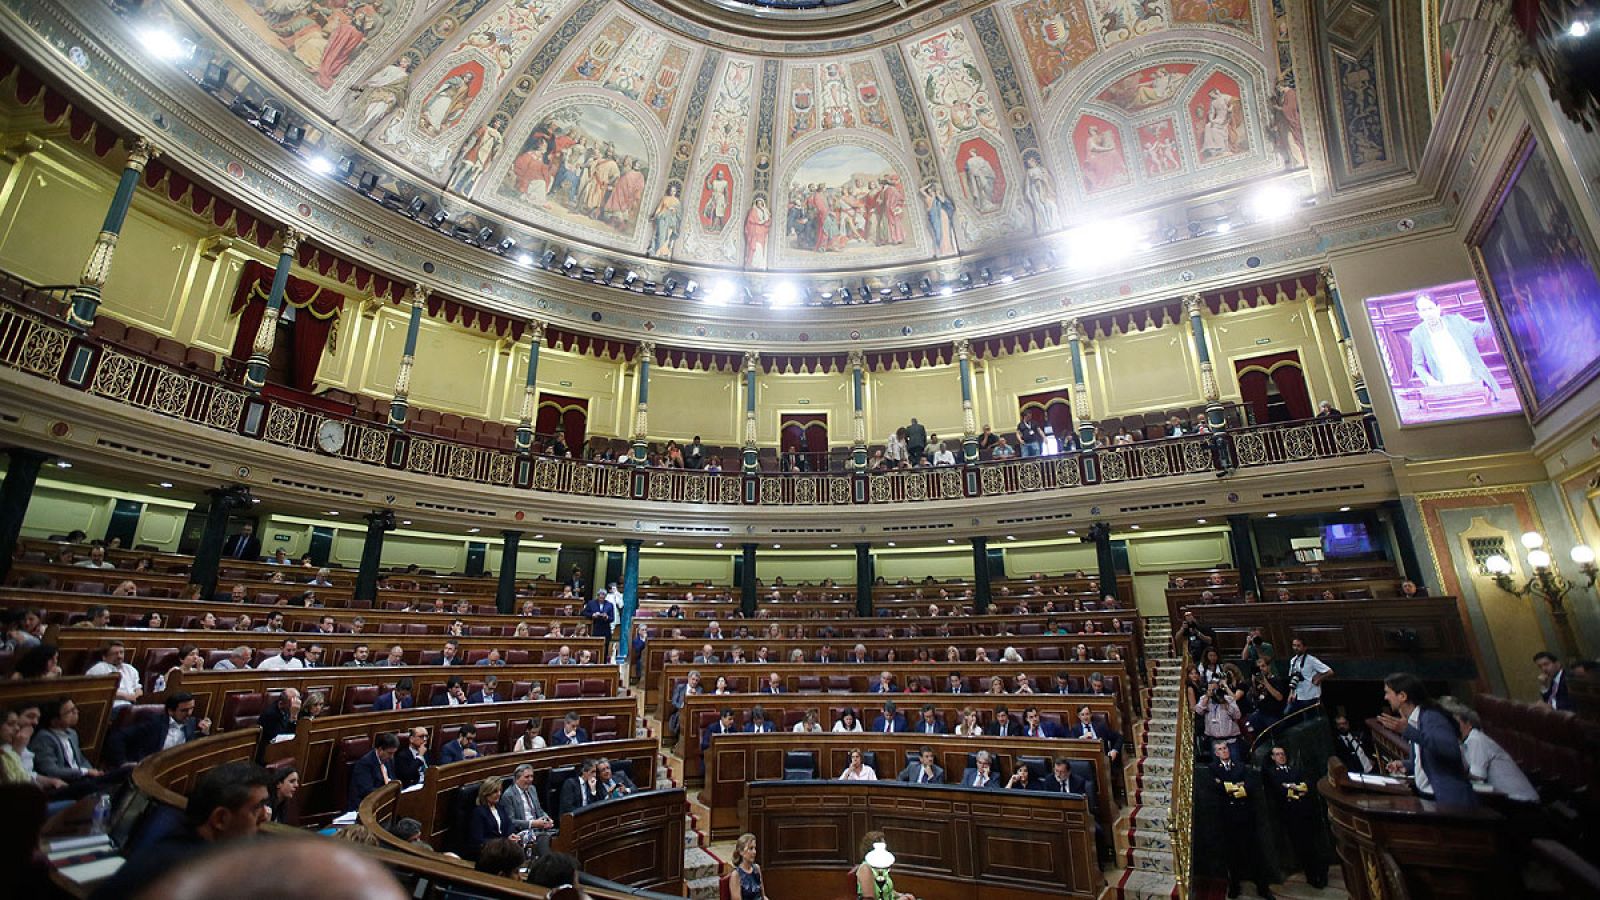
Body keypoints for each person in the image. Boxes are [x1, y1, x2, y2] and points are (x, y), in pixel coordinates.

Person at [89, 761, 273, 900]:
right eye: (256, 808)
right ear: (220, 819)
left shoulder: (178, 841)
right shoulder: (193, 875)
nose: (265, 817)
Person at [1375, 672, 1477, 807]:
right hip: (1431, 797)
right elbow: (1429, 758)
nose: (1385, 697)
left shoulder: (1431, 717)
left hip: (1450, 800)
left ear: (1402, 696)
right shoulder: (1414, 721)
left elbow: (1450, 750)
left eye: (1388, 692)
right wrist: (1406, 765)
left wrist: (1407, 731)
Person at [1437, 697, 1537, 804]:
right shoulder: (1464, 743)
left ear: (1468, 723)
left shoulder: (1475, 739)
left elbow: (1477, 781)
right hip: (1506, 801)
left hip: (1522, 802)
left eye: (1455, 722)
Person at [1210, 741, 1275, 900]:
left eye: (1225, 748)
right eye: (1220, 749)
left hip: (1245, 814)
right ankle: (1234, 886)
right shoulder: (1213, 769)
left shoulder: (1240, 765)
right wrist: (1236, 785)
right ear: (1216, 753)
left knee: (1255, 852)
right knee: (1232, 854)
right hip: (1228, 817)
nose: (1224, 751)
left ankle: (1263, 888)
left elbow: (1249, 785)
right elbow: (1216, 788)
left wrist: (1228, 786)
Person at [1263, 745, 1327, 889]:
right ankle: (1312, 876)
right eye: (1278, 754)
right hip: (1290, 814)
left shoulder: (1295, 769)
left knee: (1313, 844)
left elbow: (1306, 785)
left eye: (1283, 754)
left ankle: (1321, 872)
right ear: (1273, 758)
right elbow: (1280, 790)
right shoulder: (1272, 773)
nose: (1281, 756)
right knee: (1301, 847)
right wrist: (1296, 788)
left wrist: (1294, 787)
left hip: (1305, 811)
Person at [107, 691, 211, 765]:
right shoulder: (154, 723)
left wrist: (205, 732)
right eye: (184, 710)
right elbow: (117, 736)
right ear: (170, 711)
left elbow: (196, 745)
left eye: (191, 709)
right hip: (149, 769)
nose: (189, 713)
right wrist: (123, 763)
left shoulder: (192, 722)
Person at [500, 763, 555, 855]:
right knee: (544, 840)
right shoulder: (509, 795)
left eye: (532, 776)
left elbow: (539, 810)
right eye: (527, 777)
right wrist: (532, 824)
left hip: (539, 829)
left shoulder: (532, 789)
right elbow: (511, 821)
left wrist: (547, 819)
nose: (530, 780)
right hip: (523, 833)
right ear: (517, 778)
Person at [464, 778, 520, 860]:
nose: (499, 794)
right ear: (486, 793)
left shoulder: (500, 807)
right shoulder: (478, 812)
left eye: (500, 790)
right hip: (489, 853)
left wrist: (511, 835)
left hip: (504, 850)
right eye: (495, 791)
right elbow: (478, 841)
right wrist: (503, 842)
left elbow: (509, 825)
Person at [348, 731, 400, 811]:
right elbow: (367, 791)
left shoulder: (389, 760)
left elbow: (393, 780)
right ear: (380, 750)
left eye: (393, 753)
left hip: (385, 802)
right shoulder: (365, 764)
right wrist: (388, 794)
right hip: (366, 806)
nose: (392, 756)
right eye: (390, 753)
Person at [84, 641, 142, 708]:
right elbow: (101, 692)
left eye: (121, 652)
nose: (119, 656)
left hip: (132, 705)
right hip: (112, 706)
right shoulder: (99, 668)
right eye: (115, 654)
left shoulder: (130, 669)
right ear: (104, 657)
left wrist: (136, 695)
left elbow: (138, 688)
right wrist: (126, 696)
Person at [1285, 638, 1332, 714]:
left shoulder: (1311, 660)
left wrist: (1318, 679)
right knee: (1287, 714)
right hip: (1298, 695)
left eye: (1298, 646)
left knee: (1310, 720)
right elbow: (1293, 678)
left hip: (1311, 696)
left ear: (1304, 647)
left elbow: (1329, 671)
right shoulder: (1293, 660)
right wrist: (1291, 693)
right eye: (1294, 645)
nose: (1295, 648)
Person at [724, 832, 768, 900]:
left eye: (754, 848)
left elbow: (763, 896)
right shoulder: (736, 875)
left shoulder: (757, 868)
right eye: (750, 848)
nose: (754, 852)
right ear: (741, 852)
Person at [257, 688, 302, 752]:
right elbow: (280, 737)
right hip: (268, 750)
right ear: (282, 703)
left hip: (284, 747)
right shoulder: (270, 714)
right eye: (294, 701)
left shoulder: (290, 710)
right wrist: (293, 716)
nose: (297, 704)